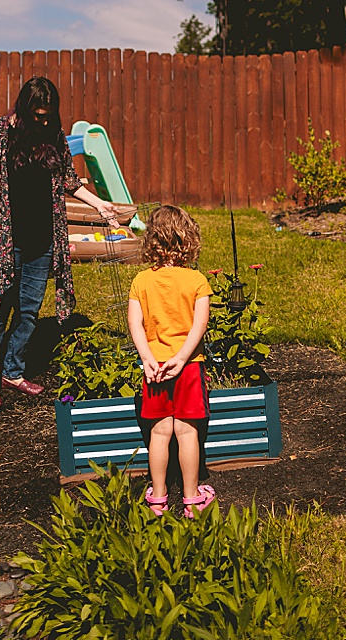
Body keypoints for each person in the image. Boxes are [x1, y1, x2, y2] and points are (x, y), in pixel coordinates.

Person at [0, 77, 120, 409]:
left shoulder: (53, 137)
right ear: (25, 107)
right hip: (3, 240)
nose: (44, 121)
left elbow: (68, 180)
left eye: (49, 116)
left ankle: (12, 371)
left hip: (42, 239)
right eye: (39, 115)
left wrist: (99, 204)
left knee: (29, 311)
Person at [126, 204, 216, 518]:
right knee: (188, 433)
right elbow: (199, 326)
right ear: (188, 239)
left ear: (152, 240)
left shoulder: (141, 281)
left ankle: (158, 499)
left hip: (156, 368)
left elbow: (135, 324)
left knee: (160, 434)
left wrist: (148, 359)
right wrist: (181, 358)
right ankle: (191, 500)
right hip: (187, 366)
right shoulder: (197, 281)